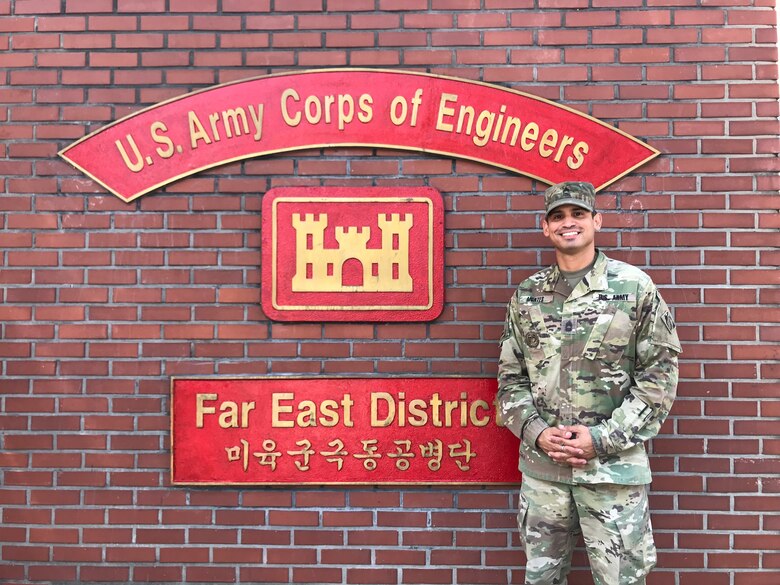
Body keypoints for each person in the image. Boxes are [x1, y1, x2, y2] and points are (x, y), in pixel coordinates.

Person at [497, 181, 681, 585]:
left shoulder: (633, 288)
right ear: (545, 228)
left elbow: (659, 379)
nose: (569, 223)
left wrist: (601, 439)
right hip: (544, 474)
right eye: (558, 216)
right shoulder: (527, 297)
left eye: (578, 214)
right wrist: (538, 433)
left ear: (596, 221)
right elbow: (510, 382)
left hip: (613, 474)